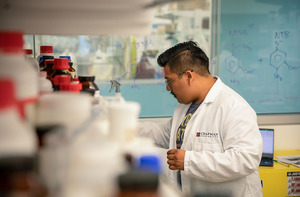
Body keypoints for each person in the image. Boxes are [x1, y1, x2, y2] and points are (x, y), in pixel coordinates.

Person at [137, 41, 263, 197]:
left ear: (189, 76)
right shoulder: (185, 107)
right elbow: (164, 134)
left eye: (169, 81)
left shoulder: (234, 107)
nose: (168, 88)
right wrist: (123, 127)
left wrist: (189, 161)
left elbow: (245, 159)